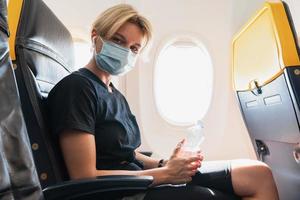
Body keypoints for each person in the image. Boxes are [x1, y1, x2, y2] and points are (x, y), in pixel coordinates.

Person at [47, 4, 279, 200]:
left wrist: (164, 162)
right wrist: (166, 174)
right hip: (121, 192)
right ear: (96, 37)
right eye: (118, 41)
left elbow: (126, 154)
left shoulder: (111, 91)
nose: (125, 52)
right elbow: (84, 176)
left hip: (140, 179)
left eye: (134, 48)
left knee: (257, 173)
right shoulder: (77, 89)